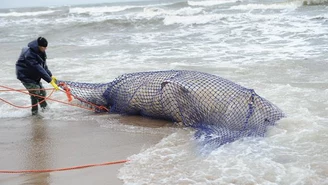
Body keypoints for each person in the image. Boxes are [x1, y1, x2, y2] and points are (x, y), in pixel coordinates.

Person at [16, 37, 59, 115]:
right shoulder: (29, 55)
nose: (45, 49)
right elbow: (38, 69)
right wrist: (50, 81)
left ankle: (43, 111)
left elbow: (43, 65)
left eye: (46, 47)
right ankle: (36, 113)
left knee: (42, 93)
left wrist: (50, 75)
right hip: (25, 76)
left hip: (34, 75)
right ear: (39, 46)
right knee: (36, 93)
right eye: (44, 47)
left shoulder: (41, 51)